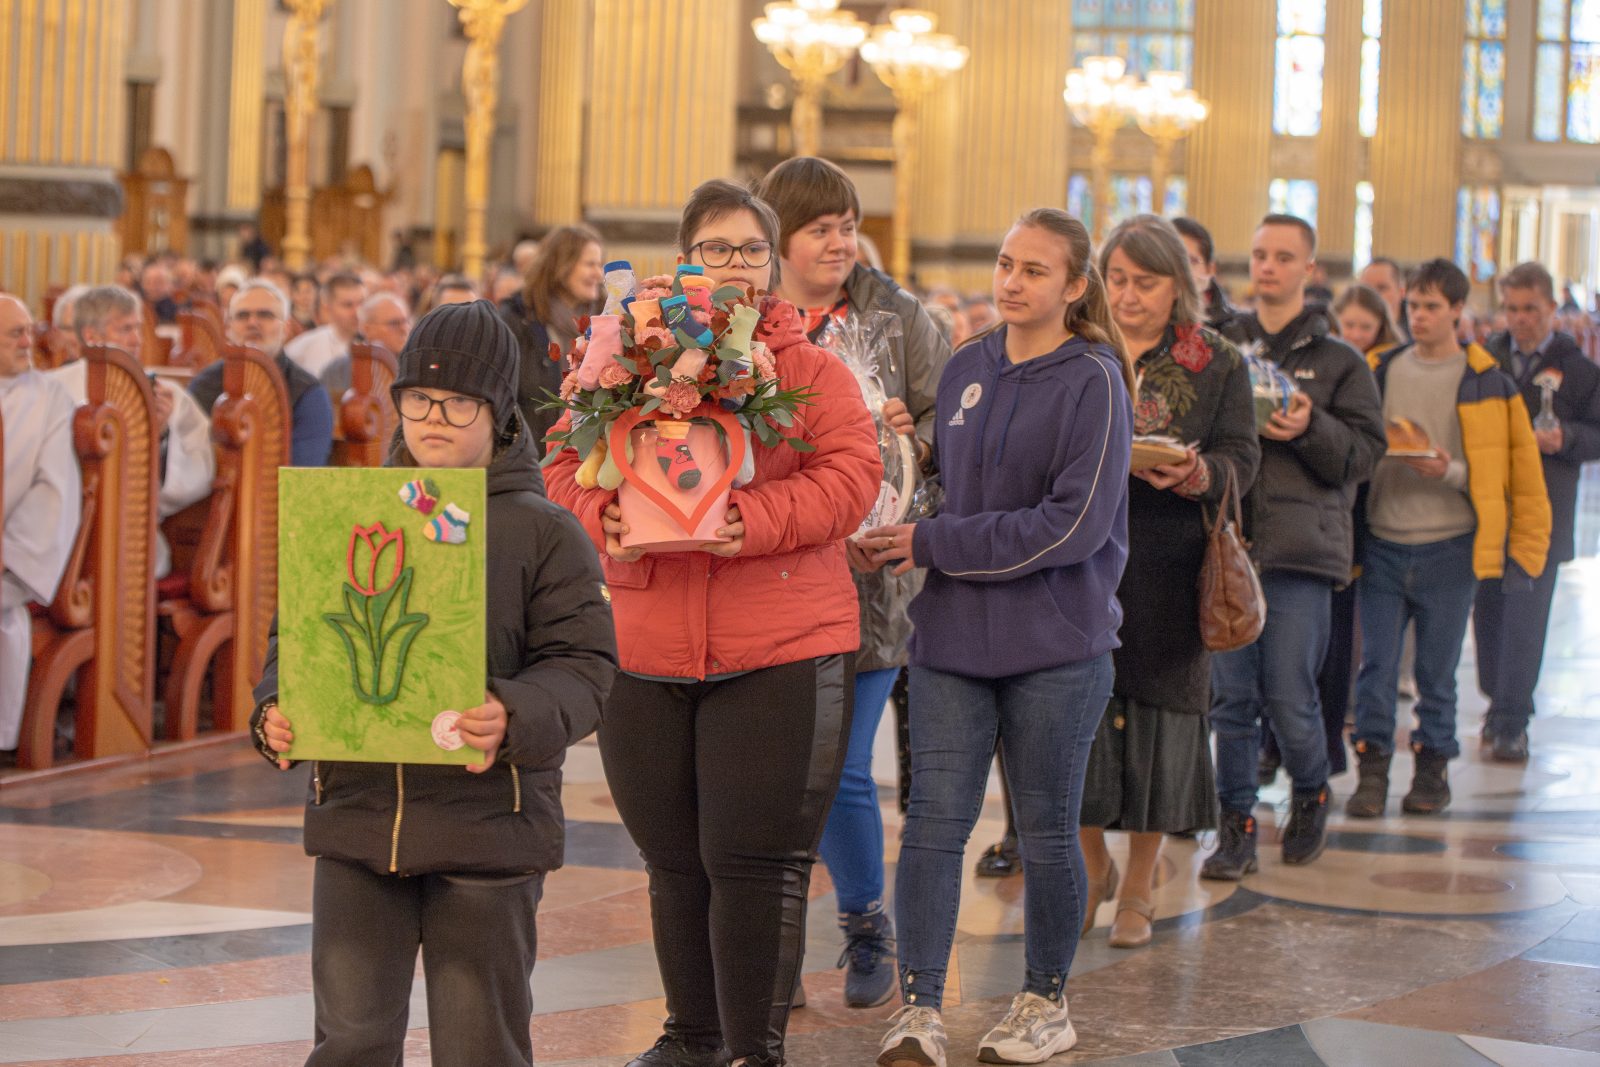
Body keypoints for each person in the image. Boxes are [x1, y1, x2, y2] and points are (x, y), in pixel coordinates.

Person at [546, 179, 880, 1067]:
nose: (731, 266)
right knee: (673, 861)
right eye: (714, 249)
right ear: (684, 258)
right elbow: (562, 462)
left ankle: (751, 1050)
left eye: (748, 251)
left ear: (773, 267)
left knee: (753, 862)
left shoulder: (811, 370)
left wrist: (753, 521)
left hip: (779, 645)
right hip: (649, 645)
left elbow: (853, 477)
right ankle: (691, 1035)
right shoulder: (619, 357)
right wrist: (596, 515)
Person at [250, 299, 617, 1066]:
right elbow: (300, 634)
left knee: (480, 1043)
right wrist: (277, 708)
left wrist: (511, 712)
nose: (434, 418)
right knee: (349, 1041)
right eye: (418, 399)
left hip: (487, 828)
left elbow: (584, 668)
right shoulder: (352, 511)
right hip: (359, 818)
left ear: (499, 409)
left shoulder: (542, 529)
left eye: (458, 402)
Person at [865, 208, 1134, 1067]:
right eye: (1005, 263)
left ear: (1075, 287)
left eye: (1034, 271)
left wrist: (930, 542)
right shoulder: (971, 363)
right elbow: (961, 484)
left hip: (1056, 643)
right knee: (935, 825)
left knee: (1048, 828)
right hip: (952, 639)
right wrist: (918, 463)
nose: (1011, 282)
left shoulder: (1093, 379)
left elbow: (1074, 526)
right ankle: (917, 1008)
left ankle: (1045, 1000)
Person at [756, 154, 953, 1007]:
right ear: (780, 239)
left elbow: (960, 440)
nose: (838, 242)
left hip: (872, 583)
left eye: (847, 225)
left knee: (836, 766)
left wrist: (919, 444)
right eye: (819, 228)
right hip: (772, 571)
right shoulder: (748, 322)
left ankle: (867, 923)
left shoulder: (901, 319)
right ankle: (774, 940)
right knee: (771, 768)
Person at [1080, 216, 1259, 949]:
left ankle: (1138, 883)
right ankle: (1091, 866)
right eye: (1116, 279)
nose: (1127, 296)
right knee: (1078, 715)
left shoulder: (1213, 361)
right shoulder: (1081, 346)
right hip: (1087, 557)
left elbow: (1241, 456)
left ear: (1179, 287)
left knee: (1161, 724)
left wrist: (1197, 471)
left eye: (1145, 282)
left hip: (1173, 563)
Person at [1205, 215, 1385, 879]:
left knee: (1288, 692)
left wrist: (1311, 426)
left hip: (1300, 552)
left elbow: (1363, 455)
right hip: (1229, 545)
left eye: (1283, 256)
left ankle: (1310, 789)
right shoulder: (1219, 346)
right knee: (1229, 701)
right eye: (1258, 255)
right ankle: (1236, 823)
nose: (1268, 266)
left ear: (1309, 270)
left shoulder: (1340, 361)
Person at [1348, 259, 1550, 816]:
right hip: (1384, 540)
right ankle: (1372, 774)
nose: (1420, 317)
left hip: (1450, 546)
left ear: (1459, 311)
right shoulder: (1379, 369)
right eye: (1413, 306)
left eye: (1433, 307)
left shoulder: (1487, 382)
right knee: (1377, 669)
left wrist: (1450, 471)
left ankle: (1432, 772)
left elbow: (1511, 473)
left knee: (1437, 674)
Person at [1475, 262, 1600, 761]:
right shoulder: (1484, 362)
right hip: (1488, 509)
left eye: (1531, 309)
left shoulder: (1580, 370)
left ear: (1551, 309)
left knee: (1526, 615)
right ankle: (1497, 699)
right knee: (1487, 615)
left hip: (1544, 511)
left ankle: (1512, 719)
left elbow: (1596, 433)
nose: (1521, 318)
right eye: (1512, 308)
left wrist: (1566, 437)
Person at [51, 285, 214, 580]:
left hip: (135, 543)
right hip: (58, 540)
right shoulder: (51, 390)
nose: (137, 340)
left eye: (138, 328)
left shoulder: (166, 395)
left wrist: (162, 436)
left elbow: (199, 472)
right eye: (125, 329)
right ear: (90, 336)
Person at [0, 293, 81, 761]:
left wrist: (10, 556)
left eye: (30, 329)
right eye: (15, 332)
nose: (27, 341)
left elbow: (54, 491)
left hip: (12, 561)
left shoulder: (49, 397)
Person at [190, 279, 334, 467]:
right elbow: (187, 462)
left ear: (286, 328)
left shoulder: (308, 392)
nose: (252, 323)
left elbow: (303, 473)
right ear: (228, 329)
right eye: (242, 316)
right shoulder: (205, 384)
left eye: (265, 315)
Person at [498, 224, 604, 456]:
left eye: (599, 264)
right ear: (560, 266)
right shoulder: (517, 320)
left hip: (589, 460)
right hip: (533, 459)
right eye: (590, 264)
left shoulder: (606, 322)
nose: (599, 274)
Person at [319, 292, 414, 400]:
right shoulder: (338, 370)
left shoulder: (415, 366)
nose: (404, 329)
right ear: (367, 329)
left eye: (406, 321)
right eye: (394, 323)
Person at [285, 272, 366, 379]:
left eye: (362, 303)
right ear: (328, 306)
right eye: (348, 305)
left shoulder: (376, 344)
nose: (357, 312)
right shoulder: (307, 345)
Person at [1172, 216, 1237, 330]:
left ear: (1210, 269)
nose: (1180, 270)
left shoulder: (1233, 325)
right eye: (1172, 260)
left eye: (1191, 261)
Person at [1333, 284, 1403, 358]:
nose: (1356, 335)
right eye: (1349, 325)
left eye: (1366, 327)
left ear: (1381, 326)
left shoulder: (1393, 360)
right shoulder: (1323, 354)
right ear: (1334, 320)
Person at [1360, 256, 1408, 340]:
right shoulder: (1350, 332)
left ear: (1401, 291)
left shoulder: (1415, 330)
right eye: (1367, 288)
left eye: (1381, 288)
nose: (1373, 294)